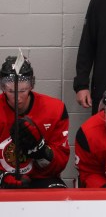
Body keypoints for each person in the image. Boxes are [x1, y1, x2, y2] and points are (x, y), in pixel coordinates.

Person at [0, 55, 69, 189]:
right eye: (10, 91)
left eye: (22, 91)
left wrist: (41, 150)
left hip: (42, 177)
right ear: (3, 87)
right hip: (4, 177)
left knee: (58, 194)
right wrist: (2, 176)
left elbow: (59, 165)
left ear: (31, 85)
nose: (17, 98)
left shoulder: (55, 109)